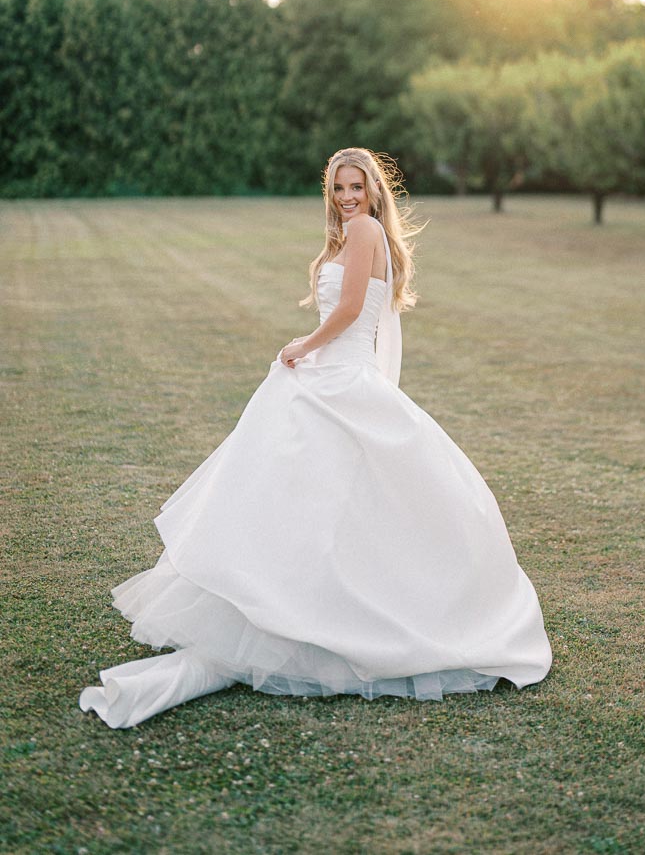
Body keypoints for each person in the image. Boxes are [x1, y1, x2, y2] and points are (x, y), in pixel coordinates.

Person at [80, 148, 552, 728]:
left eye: (356, 186)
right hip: (332, 374)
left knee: (305, 489)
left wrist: (305, 345)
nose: (347, 197)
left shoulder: (362, 230)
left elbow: (353, 308)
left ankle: (314, 611)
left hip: (336, 374)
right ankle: (302, 604)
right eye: (337, 188)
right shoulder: (361, 233)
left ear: (373, 190)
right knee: (308, 494)